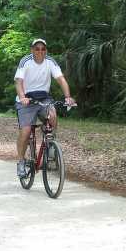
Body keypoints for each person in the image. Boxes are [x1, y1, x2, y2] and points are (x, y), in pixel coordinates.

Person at [14, 38, 76, 177]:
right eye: (37, 49)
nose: (40, 51)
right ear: (32, 50)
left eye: (43, 49)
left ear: (46, 50)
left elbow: (61, 79)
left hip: (43, 97)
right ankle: (21, 162)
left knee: (52, 115)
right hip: (26, 99)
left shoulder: (50, 62)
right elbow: (18, 82)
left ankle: (51, 144)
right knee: (26, 130)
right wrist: (23, 97)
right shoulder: (26, 61)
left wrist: (68, 97)